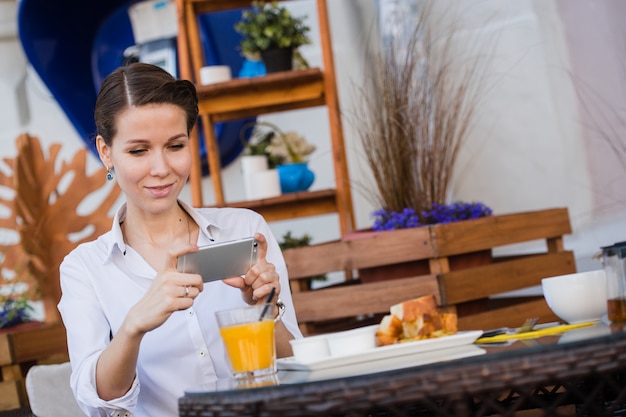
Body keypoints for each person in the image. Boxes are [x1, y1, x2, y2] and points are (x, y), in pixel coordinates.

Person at [58, 62, 302, 417]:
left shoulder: (246, 230)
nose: (161, 168)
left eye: (175, 145)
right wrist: (134, 324)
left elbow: (296, 366)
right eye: (138, 151)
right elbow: (97, 401)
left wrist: (264, 309)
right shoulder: (85, 268)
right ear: (106, 152)